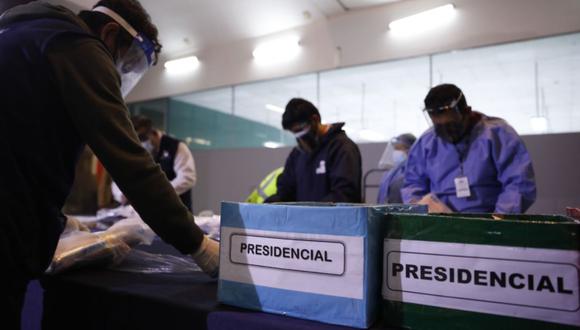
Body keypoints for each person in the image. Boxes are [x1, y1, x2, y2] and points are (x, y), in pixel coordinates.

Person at [0, 1, 218, 327]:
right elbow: (132, 166)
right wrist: (198, 245)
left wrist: (55, 221)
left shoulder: (23, 37)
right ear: (110, 33)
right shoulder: (78, 46)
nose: (121, 71)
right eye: (127, 61)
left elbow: (20, 147)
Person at [402, 84, 536, 213]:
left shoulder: (497, 134)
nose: (447, 133)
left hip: (489, 222)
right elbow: (412, 185)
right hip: (441, 226)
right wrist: (422, 210)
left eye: (452, 125)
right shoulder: (426, 143)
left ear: (467, 112)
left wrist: (498, 222)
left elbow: (518, 184)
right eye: (439, 127)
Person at [265, 98, 362, 203]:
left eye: (300, 130)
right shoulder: (297, 155)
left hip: (334, 218)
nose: (300, 139)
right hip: (304, 218)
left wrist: (312, 214)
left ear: (315, 120)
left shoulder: (342, 148)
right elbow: (286, 191)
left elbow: (344, 195)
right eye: (294, 133)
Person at [112, 115, 197, 211]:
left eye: (142, 138)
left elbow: (187, 178)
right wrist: (121, 195)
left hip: (175, 210)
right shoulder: (134, 150)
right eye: (135, 140)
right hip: (141, 214)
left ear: (153, 133)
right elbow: (119, 177)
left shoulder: (176, 147)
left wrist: (158, 193)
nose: (140, 143)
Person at [377, 133, 416, 204]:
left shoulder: (414, 172)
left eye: (399, 148)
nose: (396, 152)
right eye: (395, 148)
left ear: (410, 149)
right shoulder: (390, 173)